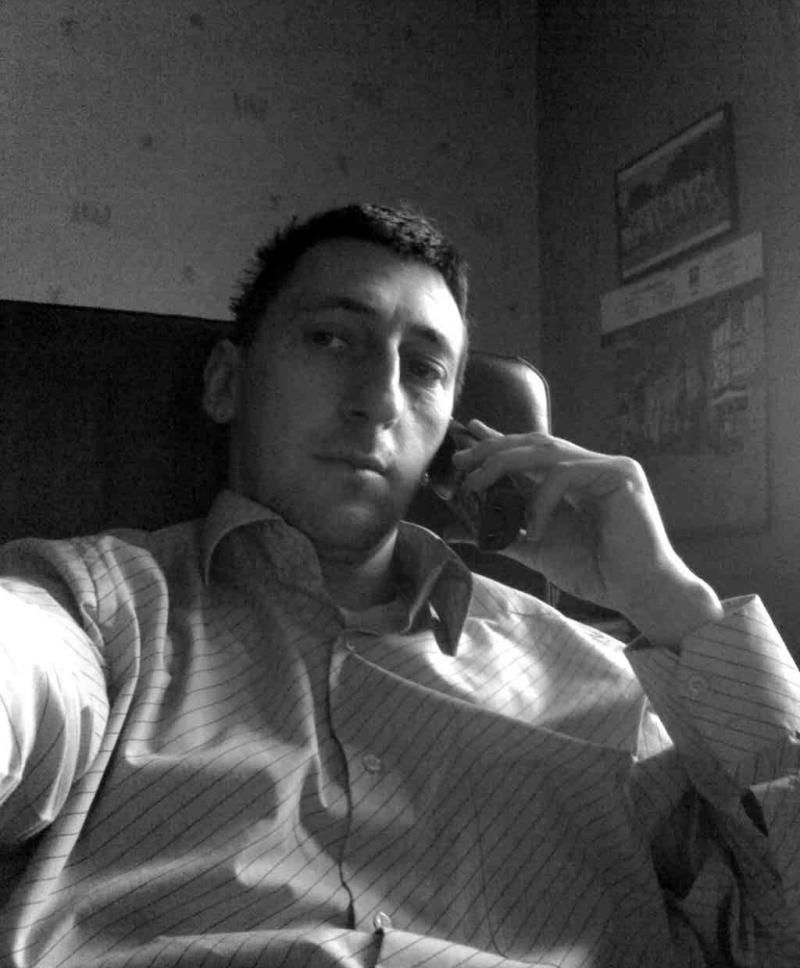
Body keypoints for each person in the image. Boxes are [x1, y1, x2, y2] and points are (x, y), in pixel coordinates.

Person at [0, 202, 798, 968]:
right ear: (226, 383)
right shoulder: (98, 607)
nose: (380, 400)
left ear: (453, 432)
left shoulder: (605, 683)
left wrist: (673, 604)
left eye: (423, 369)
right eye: (330, 338)